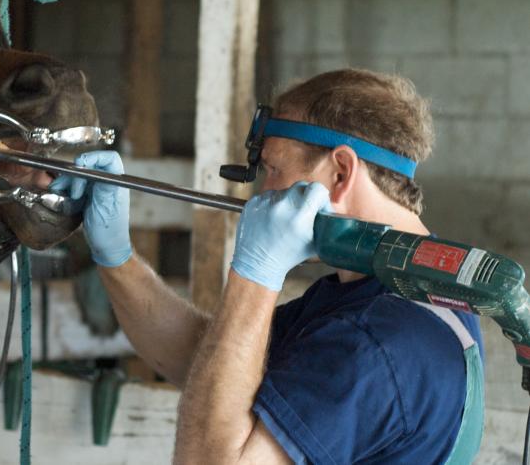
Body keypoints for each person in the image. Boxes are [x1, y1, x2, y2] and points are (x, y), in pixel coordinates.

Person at [51, 69, 484, 464]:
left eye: (274, 169)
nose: (261, 194)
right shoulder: (405, 287)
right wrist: (116, 255)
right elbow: (208, 363)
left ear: (339, 173)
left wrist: (256, 273)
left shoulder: (375, 340)